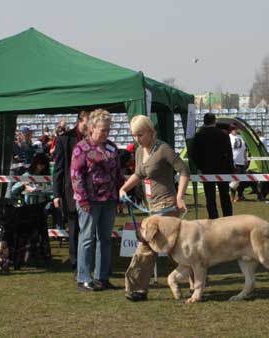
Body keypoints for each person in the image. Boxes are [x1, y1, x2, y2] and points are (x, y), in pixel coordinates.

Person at [120, 115, 190, 301]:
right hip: (151, 208)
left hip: (167, 207)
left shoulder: (163, 149)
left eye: (140, 134)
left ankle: (195, 282)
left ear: (151, 132)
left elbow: (183, 171)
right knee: (152, 247)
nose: (137, 139)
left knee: (170, 249)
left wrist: (179, 196)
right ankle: (137, 289)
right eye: (134, 135)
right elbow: (138, 174)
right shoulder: (139, 152)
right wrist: (124, 188)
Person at [71, 109, 124, 292]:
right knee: (87, 238)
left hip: (109, 199)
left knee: (105, 239)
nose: (106, 133)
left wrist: (120, 196)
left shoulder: (112, 147)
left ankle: (102, 277)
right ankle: (84, 277)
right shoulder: (81, 148)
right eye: (103, 130)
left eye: (108, 130)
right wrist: (82, 199)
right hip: (89, 201)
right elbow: (76, 175)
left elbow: (118, 173)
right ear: (92, 128)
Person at [53, 111, 90, 271]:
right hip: (71, 192)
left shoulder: (93, 139)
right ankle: (75, 263)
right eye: (87, 124)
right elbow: (58, 169)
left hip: (91, 191)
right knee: (74, 228)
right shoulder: (64, 139)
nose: (90, 128)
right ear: (79, 121)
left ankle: (88, 261)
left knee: (89, 229)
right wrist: (56, 194)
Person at [189, 113, 234, 216]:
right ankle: (227, 218)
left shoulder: (199, 135)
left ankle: (213, 218)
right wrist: (231, 170)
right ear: (214, 121)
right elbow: (229, 154)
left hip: (207, 170)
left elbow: (194, 154)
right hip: (222, 170)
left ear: (204, 122)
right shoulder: (223, 134)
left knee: (210, 197)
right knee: (225, 196)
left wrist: (200, 167)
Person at [229, 123, 249, 202]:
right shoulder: (229, 137)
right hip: (234, 162)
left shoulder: (241, 137)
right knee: (234, 181)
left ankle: (240, 196)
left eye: (236, 128)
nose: (235, 130)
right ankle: (232, 197)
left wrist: (245, 159)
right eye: (233, 128)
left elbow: (244, 150)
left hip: (241, 162)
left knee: (241, 181)